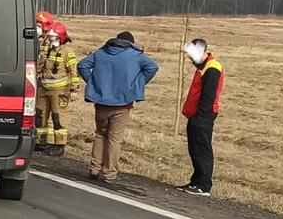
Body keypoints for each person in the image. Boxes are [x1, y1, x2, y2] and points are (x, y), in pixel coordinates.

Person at [76, 30, 159, 183]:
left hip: (101, 103)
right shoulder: (135, 55)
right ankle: (109, 174)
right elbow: (153, 67)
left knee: (100, 134)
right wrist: (138, 85)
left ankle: (94, 169)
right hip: (123, 104)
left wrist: (93, 84)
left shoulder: (101, 53)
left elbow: (82, 65)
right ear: (131, 43)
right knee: (115, 139)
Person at [33, 11, 81, 155]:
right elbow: (40, 65)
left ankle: (59, 145)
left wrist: (74, 90)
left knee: (57, 116)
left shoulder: (67, 52)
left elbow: (74, 72)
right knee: (40, 114)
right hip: (43, 87)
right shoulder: (46, 49)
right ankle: (40, 142)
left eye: (53, 38)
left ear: (60, 37)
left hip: (59, 90)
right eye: (49, 37)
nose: (50, 40)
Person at [179, 38, 223, 196]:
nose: (190, 59)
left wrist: (200, 116)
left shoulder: (212, 68)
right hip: (196, 113)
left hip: (203, 114)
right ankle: (196, 181)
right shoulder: (203, 67)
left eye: (192, 55)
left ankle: (203, 185)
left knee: (202, 148)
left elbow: (208, 96)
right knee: (194, 148)